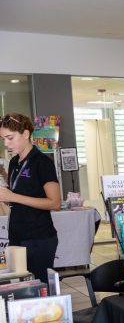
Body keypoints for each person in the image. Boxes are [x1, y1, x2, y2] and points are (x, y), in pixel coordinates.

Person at [0, 113, 61, 282]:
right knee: (20, 287)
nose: (6, 144)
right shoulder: (14, 162)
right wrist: (7, 197)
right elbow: (19, 197)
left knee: (40, 287)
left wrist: (14, 196)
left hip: (38, 238)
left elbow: (55, 203)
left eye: (10, 138)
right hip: (16, 235)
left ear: (26, 134)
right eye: (3, 139)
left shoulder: (42, 163)